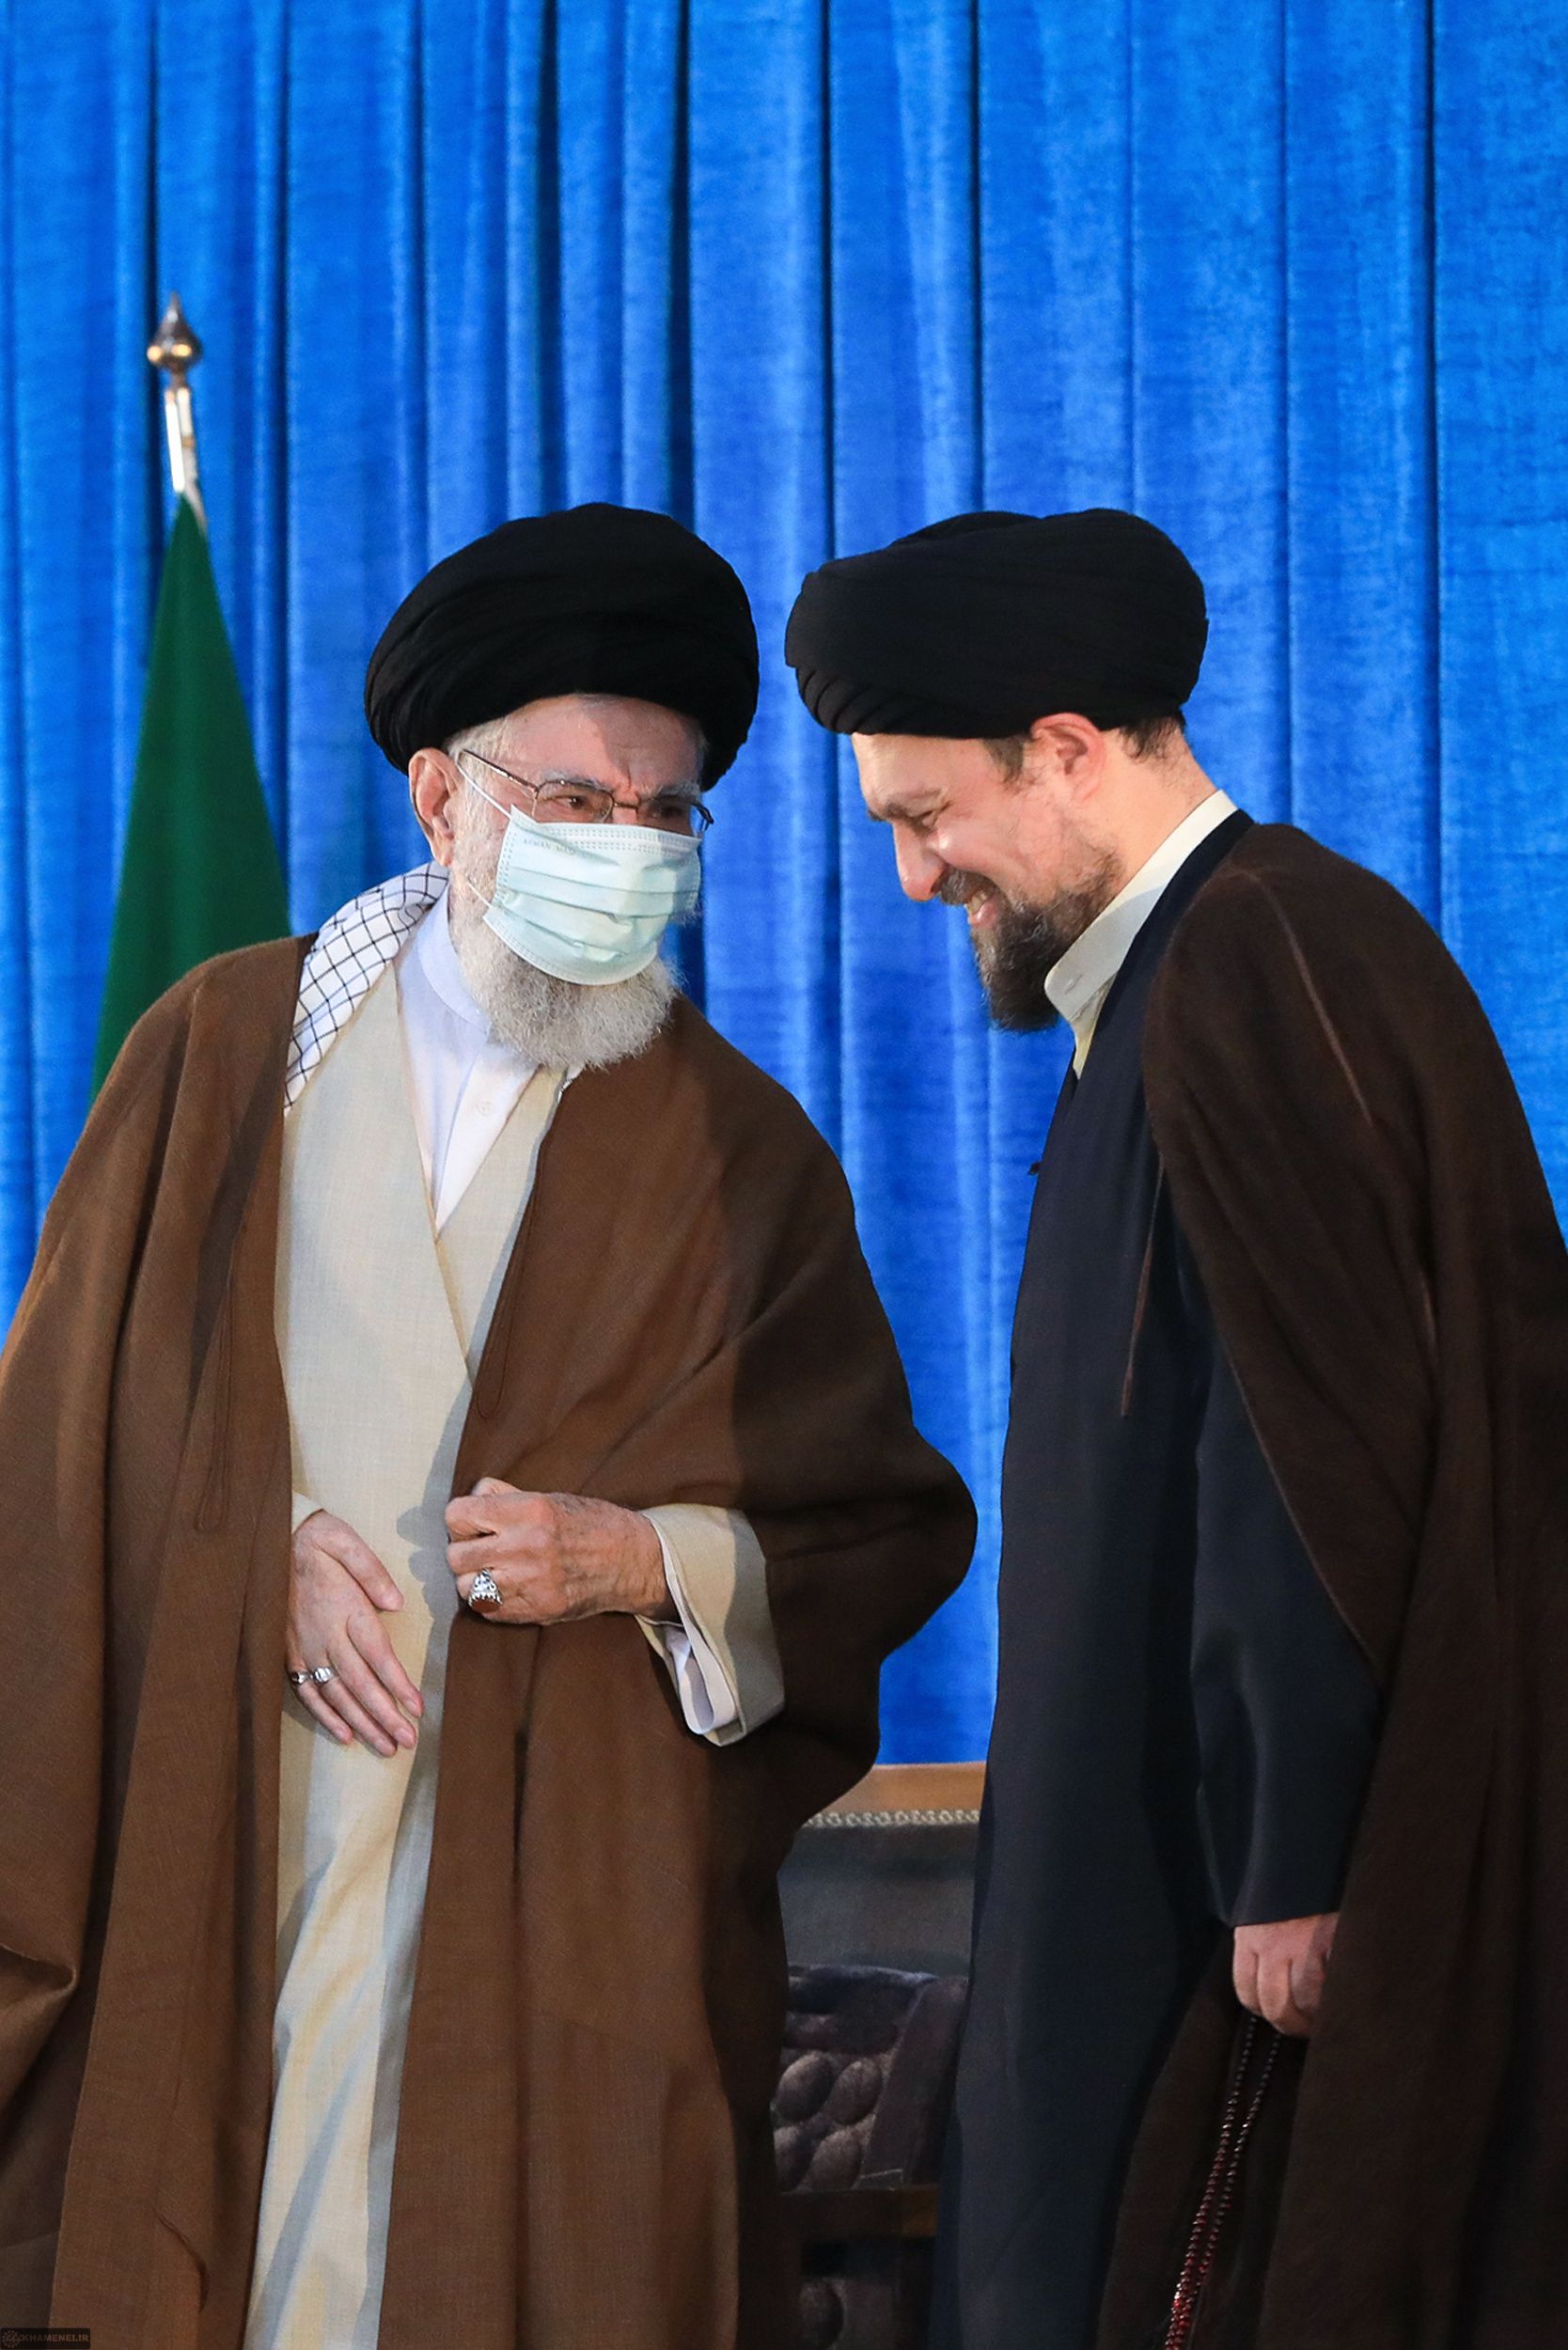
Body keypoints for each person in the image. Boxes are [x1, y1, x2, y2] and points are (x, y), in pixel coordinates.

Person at [0, 502, 974, 2350]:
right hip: (234, 1838)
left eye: (660, 813)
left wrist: (650, 1558)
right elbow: (60, 1437)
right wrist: (251, 1542)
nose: (622, 848)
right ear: (443, 796)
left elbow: (876, 1527)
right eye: (575, 799)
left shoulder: (738, 1151)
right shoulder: (216, 1055)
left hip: (557, 1902)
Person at [786, 507, 1568, 2349]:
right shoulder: (1192, 975)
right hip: (1167, 1873)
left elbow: (1317, 1448)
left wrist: (1298, 1860)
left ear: (1066, 743)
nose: (911, 876)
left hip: (1238, 1918)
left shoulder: (1252, 965)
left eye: (925, 813)